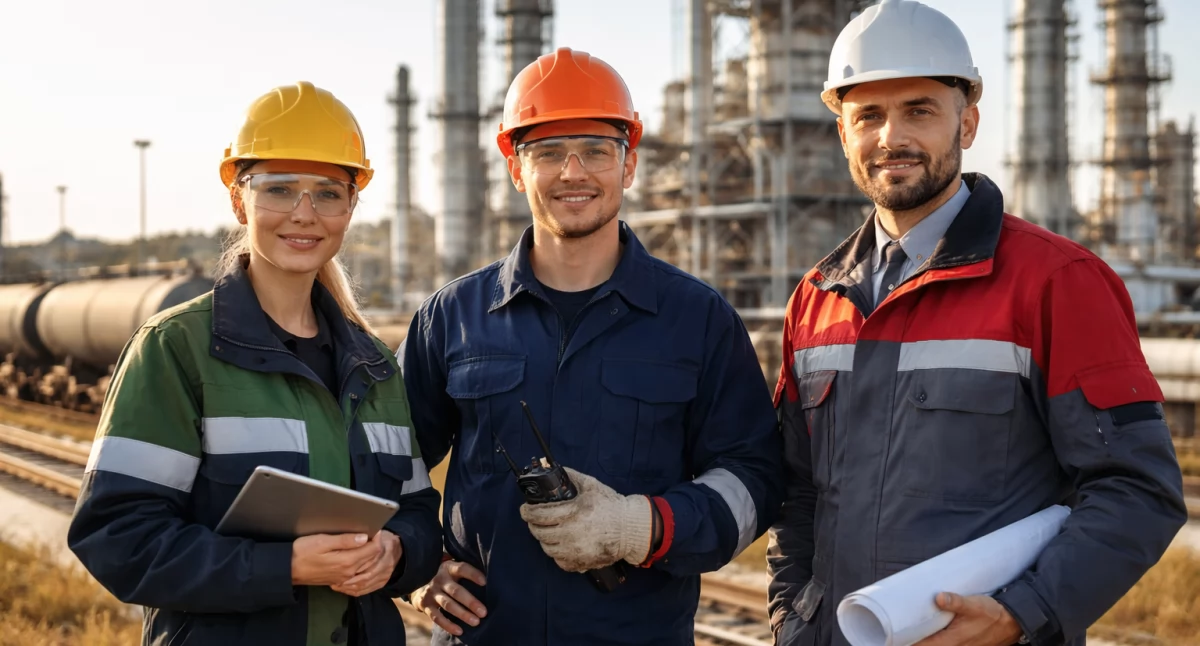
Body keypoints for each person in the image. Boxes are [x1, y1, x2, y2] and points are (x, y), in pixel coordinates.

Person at [765, 1, 1189, 645]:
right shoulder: (818, 299)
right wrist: (792, 619)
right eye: (868, 116)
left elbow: (1137, 491)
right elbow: (797, 494)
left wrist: (1025, 612)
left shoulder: (1056, 282)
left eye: (919, 110)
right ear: (842, 134)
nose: (891, 138)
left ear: (968, 123)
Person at [399, 47, 784, 645]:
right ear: (515, 169)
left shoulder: (698, 321)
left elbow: (754, 480)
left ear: (628, 166)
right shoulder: (453, 318)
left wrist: (643, 527)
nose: (573, 173)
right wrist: (416, 566)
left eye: (597, 151)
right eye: (547, 152)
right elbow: (384, 464)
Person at [67, 81, 443, 646]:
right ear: (239, 199)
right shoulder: (177, 348)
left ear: (351, 206)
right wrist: (284, 567)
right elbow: (117, 537)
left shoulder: (373, 367)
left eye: (328, 193)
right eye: (280, 189)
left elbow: (415, 512)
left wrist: (398, 550)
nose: (304, 213)